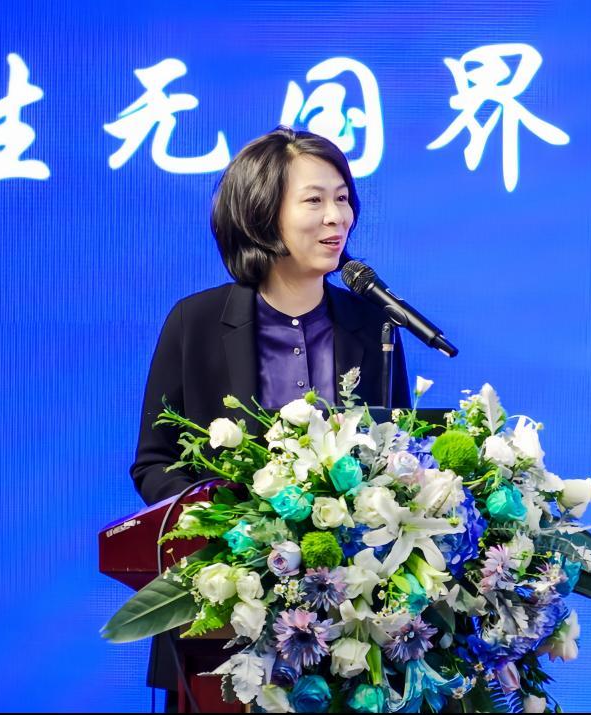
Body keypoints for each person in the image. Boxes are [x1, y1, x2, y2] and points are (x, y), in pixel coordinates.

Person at [129, 126, 411, 703]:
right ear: (262, 215)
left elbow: (403, 461)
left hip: (354, 626)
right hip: (228, 621)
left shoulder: (374, 327)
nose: (337, 216)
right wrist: (233, 528)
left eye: (342, 198)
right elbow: (154, 463)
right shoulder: (195, 323)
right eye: (314, 200)